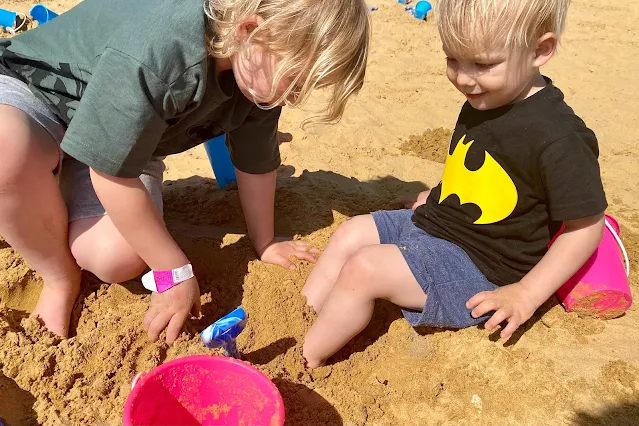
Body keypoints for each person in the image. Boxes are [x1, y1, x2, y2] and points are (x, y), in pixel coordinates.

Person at [0, 0, 370, 343]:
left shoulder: (262, 75)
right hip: (35, 94)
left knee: (114, 257)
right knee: (6, 151)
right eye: (295, 81)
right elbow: (110, 174)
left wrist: (266, 242)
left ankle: (38, 197)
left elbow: (255, 161)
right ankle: (59, 278)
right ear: (248, 30)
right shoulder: (164, 49)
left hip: (124, 138)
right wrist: (173, 271)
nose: (293, 98)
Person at [301, 0, 607, 367]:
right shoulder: (488, 95)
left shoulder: (560, 138)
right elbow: (482, 163)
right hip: (442, 223)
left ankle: (302, 360)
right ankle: (301, 316)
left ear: (540, 50)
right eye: (453, 59)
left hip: (481, 266)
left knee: (364, 268)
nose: (463, 77)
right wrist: (437, 193)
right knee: (350, 234)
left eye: (482, 63)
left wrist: (526, 293)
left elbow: (586, 227)